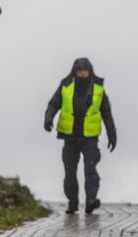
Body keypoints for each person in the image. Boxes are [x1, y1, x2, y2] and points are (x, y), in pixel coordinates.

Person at [44, 58, 117, 214]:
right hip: (69, 137)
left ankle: (91, 200)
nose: (82, 74)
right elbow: (53, 103)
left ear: (90, 72)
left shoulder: (98, 89)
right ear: (74, 72)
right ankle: (73, 202)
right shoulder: (66, 86)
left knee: (90, 169)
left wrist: (112, 135)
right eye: (79, 71)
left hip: (90, 138)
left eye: (85, 71)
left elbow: (107, 114)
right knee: (70, 172)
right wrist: (48, 118)